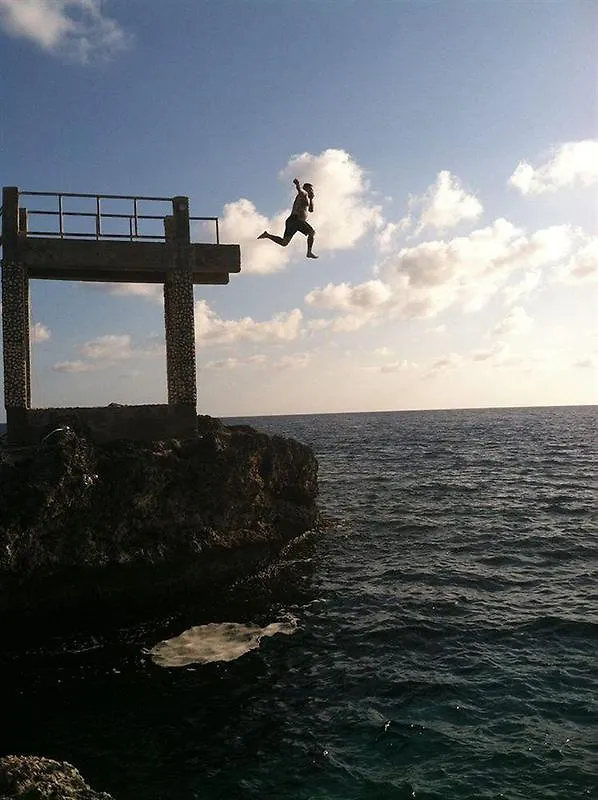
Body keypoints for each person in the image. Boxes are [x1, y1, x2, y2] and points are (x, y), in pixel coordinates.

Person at [257, 178, 318, 258]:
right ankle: (309, 252)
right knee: (311, 232)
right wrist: (298, 185)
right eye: (310, 189)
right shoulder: (304, 193)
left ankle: (267, 235)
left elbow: (311, 210)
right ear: (306, 188)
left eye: (312, 190)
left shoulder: (307, 198)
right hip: (296, 220)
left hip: (292, 221)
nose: (312, 191)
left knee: (284, 243)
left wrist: (311, 199)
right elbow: (300, 191)